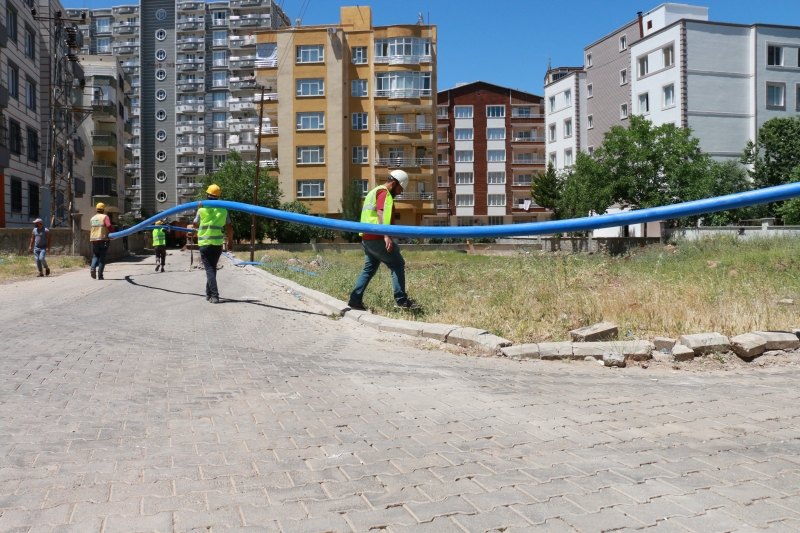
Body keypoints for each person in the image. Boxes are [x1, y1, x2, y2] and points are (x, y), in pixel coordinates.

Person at [348, 170, 420, 311]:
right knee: (398, 264)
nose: (399, 193)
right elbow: (380, 212)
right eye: (399, 189)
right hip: (377, 237)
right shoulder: (384, 193)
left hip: (367, 238)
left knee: (369, 269)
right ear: (393, 183)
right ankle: (401, 301)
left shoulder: (373, 191)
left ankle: (355, 300)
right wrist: (386, 235)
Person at [195, 184, 234, 303]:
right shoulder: (223, 210)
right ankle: (208, 293)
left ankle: (215, 295)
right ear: (218, 196)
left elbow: (195, 224)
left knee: (210, 270)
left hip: (205, 243)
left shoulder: (202, 209)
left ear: (207, 195)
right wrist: (230, 242)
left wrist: (198, 209)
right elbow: (229, 228)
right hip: (217, 244)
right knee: (212, 269)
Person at [89, 203, 113, 280]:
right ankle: (100, 276)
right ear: (103, 209)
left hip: (94, 240)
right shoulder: (105, 217)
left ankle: (92, 268)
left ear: (96, 209)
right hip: (103, 239)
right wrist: (112, 233)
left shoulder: (92, 218)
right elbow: (108, 225)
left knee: (96, 255)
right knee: (102, 258)